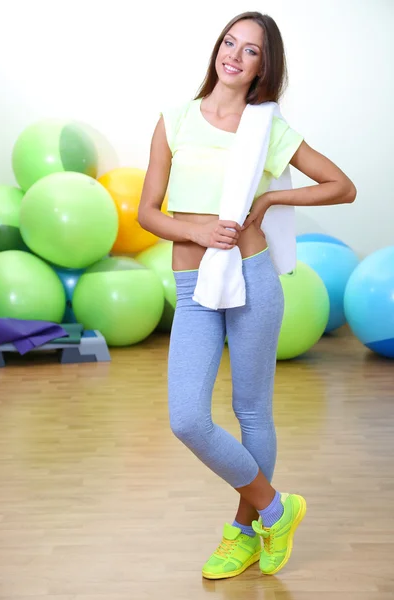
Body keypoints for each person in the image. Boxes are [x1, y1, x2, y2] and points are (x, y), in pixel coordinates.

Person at [138, 11, 356, 580]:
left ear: (264, 67)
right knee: (188, 418)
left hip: (252, 274)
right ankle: (276, 509)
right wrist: (195, 231)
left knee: (252, 408)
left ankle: (242, 533)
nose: (234, 54)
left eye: (251, 50)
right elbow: (148, 212)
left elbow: (342, 186)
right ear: (218, 48)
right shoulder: (175, 120)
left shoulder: (268, 128)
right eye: (230, 42)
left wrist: (270, 203)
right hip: (194, 286)